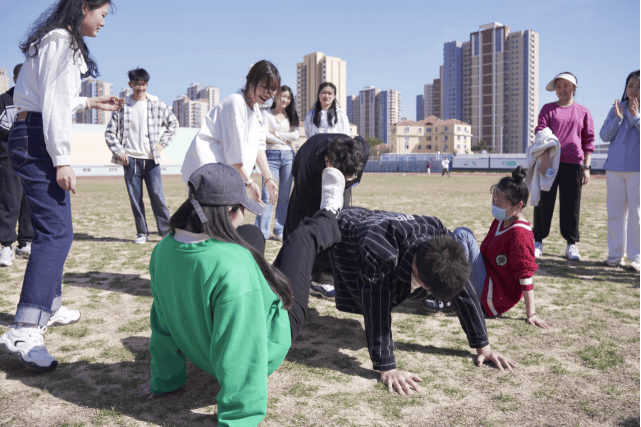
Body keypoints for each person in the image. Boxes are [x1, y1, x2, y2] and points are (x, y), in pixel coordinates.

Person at [137, 162, 346, 426]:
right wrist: (240, 418)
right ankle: (330, 212)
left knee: (251, 233)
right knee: (302, 238)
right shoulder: (232, 265)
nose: (244, 215)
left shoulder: (162, 251)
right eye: (242, 209)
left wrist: (165, 381)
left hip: (205, 351)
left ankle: (266, 272)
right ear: (228, 211)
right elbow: (243, 348)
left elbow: (162, 322)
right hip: (267, 343)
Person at [0, 0, 123, 372]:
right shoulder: (61, 41)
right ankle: (24, 328)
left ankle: (48, 307)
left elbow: (56, 97)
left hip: (32, 133)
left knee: (59, 230)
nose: (104, 23)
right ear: (84, 7)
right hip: (37, 138)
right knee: (55, 233)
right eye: (102, 15)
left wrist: (90, 100)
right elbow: (51, 105)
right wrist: (64, 159)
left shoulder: (56, 39)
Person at [330, 206, 518, 395]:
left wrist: (483, 347)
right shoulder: (379, 249)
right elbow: (376, 306)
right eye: (427, 288)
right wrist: (387, 367)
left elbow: (464, 291)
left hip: (379, 221)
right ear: (415, 267)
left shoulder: (442, 237)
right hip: (341, 229)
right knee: (323, 275)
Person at [181, 60, 280, 207]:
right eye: (264, 87)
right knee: (207, 221)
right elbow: (234, 153)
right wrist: (249, 183)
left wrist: (268, 179)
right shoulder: (236, 103)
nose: (268, 93)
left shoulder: (257, 110)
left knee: (223, 220)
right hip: (209, 170)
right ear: (251, 82)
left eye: (272, 89)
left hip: (226, 173)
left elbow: (259, 146)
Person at [284, 133, 369, 299]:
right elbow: (299, 216)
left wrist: (345, 182)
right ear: (327, 161)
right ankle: (294, 272)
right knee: (301, 223)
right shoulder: (309, 165)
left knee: (338, 222)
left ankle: (324, 277)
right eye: (344, 176)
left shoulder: (361, 151)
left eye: (351, 176)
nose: (349, 179)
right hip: (308, 171)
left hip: (336, 170)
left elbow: (362, 141)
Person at [105, 67, 178, 244]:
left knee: (157, 197)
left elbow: (173, 124)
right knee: (135, 198)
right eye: (137, 84)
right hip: (130, 160)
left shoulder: (156, 103)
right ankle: (142, 233)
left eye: (144, 84)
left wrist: (162, 144)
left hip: (151, 159)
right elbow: (109, 132)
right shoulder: (123, 106)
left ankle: (165, 232)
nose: (141, 88)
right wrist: (120, 152)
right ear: (130, 84)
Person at [474, 167, 552, 328]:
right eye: (494, 200)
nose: (495, 205)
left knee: (464, 237)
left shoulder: (520, 233)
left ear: (518, 206)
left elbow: (525, 274)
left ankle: (444, 299)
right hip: (485, 278)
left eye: (500, 203)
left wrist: (531, 313)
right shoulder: (501, 220)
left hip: (495, 294)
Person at [533, 72, 594, 261]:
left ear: (574, 88)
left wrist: (586, 167)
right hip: (549, 162)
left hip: (574, 163)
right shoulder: (547, 109)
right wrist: (544, 157)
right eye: (558, 86)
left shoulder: (583, 112)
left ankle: (571, 244)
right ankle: (537, 241)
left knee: (571, 204)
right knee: (544, 203)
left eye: (566, 85)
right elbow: (541, 133)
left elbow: (588, 140)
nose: (562, 90)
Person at [600, 70, 640, 272]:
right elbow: (604, 136)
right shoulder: (617, 108)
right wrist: (617, 118)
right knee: (615, 214)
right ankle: (615, 257)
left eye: (638, 86)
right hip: (614, 169)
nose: (633, 90)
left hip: (637, 170)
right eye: (630, 85)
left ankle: (636, 258)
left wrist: (636, 117)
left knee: (637, 215)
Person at [254, 85, 299, 241]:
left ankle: (280, 230)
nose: (285, 99)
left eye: (288, 97)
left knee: (284, 196)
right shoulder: (266, 113)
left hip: (288, 156)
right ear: (276, 97)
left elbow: (296, 136)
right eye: (282, 96)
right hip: (270, 155)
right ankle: (262, 232)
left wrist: (277, 134)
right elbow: (264, 134)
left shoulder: (292, 115)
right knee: (267, 195)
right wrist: (283, 137)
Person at [0, 64, 33, 266]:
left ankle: (25, 243)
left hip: (32, 160)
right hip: (9, 159)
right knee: (9, 202)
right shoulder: (4, 100)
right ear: (14, 79)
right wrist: (20, 132)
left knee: (28, 203)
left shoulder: (34, 100)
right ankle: (5, 246)